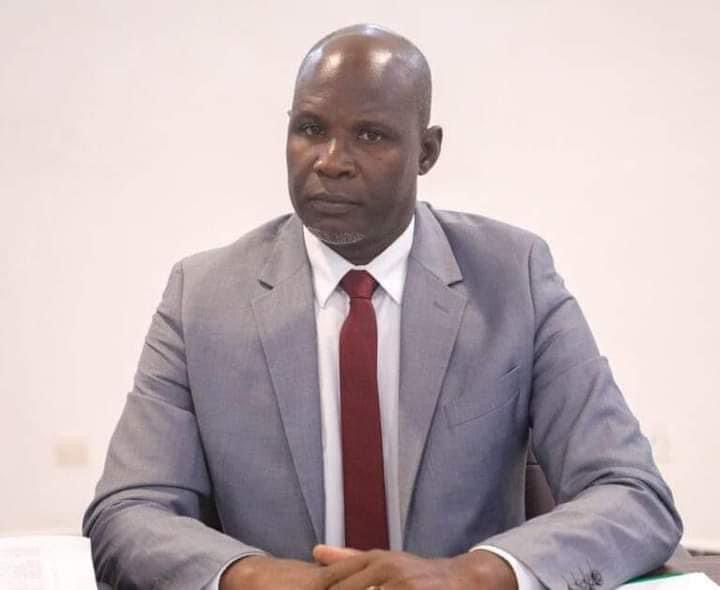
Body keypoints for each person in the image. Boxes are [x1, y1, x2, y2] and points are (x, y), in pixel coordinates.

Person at [83, 24, 682, 590]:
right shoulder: (203, 296)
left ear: (427, 151)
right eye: (310, 128)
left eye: (370, 135)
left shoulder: (514, 278)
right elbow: (128, 510)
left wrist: (473, 575)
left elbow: (633, 494)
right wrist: (251, 575)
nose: (331, 160)